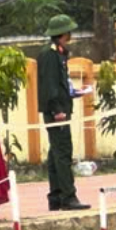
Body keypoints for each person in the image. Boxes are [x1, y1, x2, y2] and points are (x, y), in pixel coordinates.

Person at [37, 15, 89, 211]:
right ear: (63, 33)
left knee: (55, 153)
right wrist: (57, 109)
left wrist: (72, 93)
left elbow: (59, 84)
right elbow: (49, 85)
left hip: (61, 107)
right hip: (56, 111)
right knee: (63, 152)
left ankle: (56, 196)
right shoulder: (50, 55)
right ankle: (68, 196)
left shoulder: (58, 53)